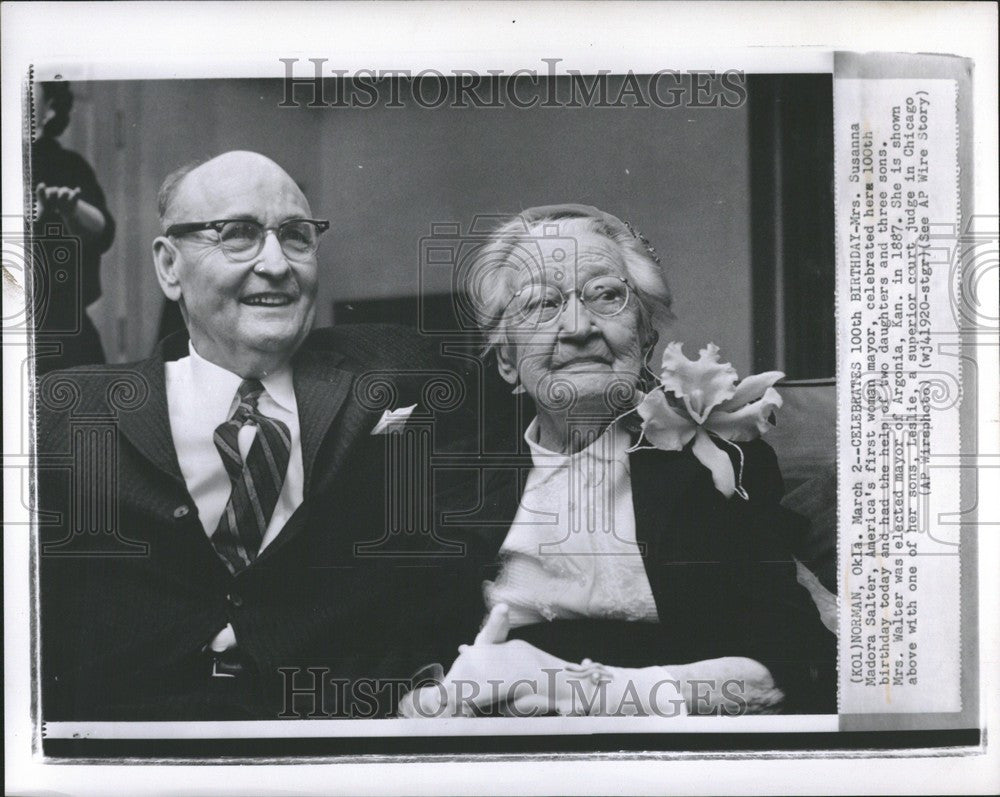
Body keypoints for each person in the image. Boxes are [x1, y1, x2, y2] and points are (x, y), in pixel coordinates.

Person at [37, 151, 467, 720]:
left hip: (335, 732)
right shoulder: (61, 413)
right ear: (170, 267)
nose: (276, 264)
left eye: (296, 236)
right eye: (237, 235)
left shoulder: (401, 370)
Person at [403, 204, 836, 718]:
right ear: (506, 361)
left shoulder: (715, 459)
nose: (578, 326)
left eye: (606, 295)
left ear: (645, 335)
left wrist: (585, 689)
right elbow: (396, 658)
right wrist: (426, 701)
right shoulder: (445, 479)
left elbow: (788, 668)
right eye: (541, 304)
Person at [31, 81, 116, 373]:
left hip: (63, 335)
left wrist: (73, 209)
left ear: (50, 109)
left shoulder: (67, 165)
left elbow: (104, 231)